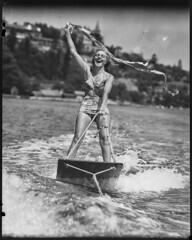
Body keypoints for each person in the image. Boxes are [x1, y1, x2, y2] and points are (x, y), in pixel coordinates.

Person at [65, 23, 114, 162]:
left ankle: (107, 167)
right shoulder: (87, 70)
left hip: (101, 108)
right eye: (97, 55)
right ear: (94, 58)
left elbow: (106, 93)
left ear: (106, 61)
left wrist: (103, 107)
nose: (99, 57)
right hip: (86, 107)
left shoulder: (109, 77)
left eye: (102, 56)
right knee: (78, 137)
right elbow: (74, 52)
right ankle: (68, 163)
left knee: (104, 139)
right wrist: (67, 33)